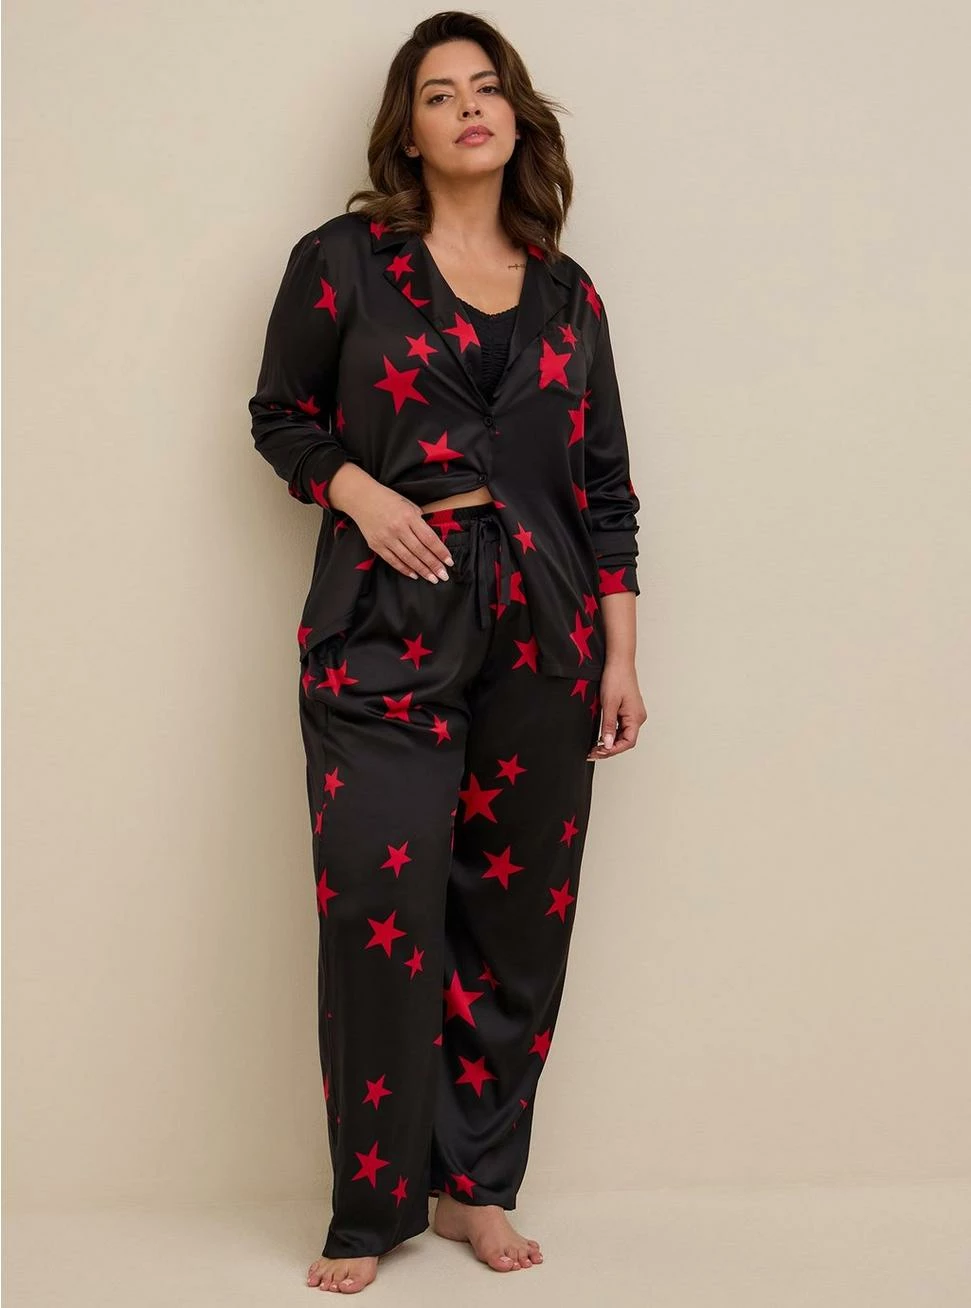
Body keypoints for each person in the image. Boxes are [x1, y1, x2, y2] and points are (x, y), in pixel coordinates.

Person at [248, 10, 648, 1295]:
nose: (468, 106)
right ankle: (371, 1206)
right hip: (384, 618)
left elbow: (605, 491)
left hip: (547, 630)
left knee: (514, 920)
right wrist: (361, 494)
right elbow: (280, 416)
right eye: (438, 93)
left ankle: (477, 1185)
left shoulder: (569, 295)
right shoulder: (342, 263)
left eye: (487, 87)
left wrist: (620, 657)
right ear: (407, 132)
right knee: (379, 907)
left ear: (516, 120)